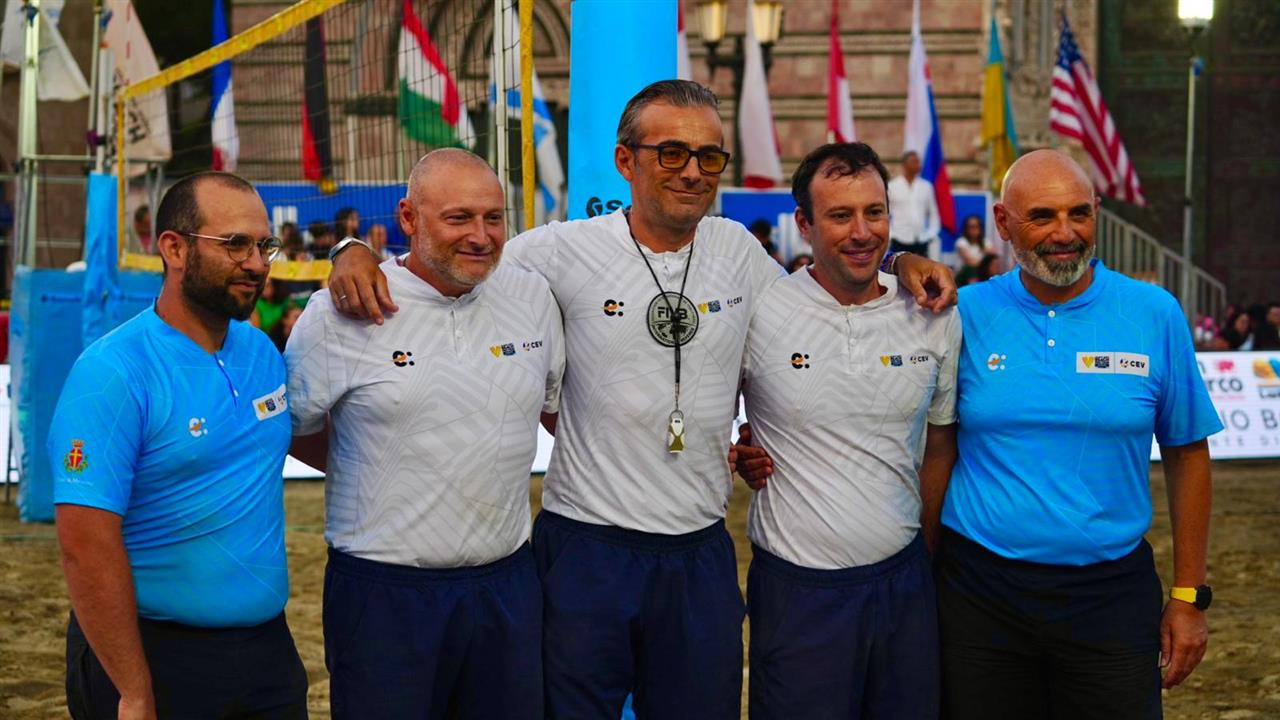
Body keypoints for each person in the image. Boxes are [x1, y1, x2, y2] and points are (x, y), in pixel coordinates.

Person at [326, 79, 956, 718]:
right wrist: (351, 251)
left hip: (700, 550)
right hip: (586, 550)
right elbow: (453, 255)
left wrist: (898, 263)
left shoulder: (740, 252)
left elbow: (826, 285)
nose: (693, 171)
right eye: (672, 153)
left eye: (709, 156)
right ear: (626, 161)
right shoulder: (560, 250)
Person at [930, 150, 1221, 719]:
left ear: (1097, 212)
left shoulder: (1154, 313)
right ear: (1002, 222)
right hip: (979, 598)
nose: (1065, 234)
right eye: (1042, 216)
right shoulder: (962, 312)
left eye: (1079, 214)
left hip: (1110, 598)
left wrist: (1189, 597)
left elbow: (1188, 453)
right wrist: (902, 260)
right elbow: (931, 447)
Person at [285, 149, 564, 719]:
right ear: (408, 218)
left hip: (506, 583)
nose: (481, 236)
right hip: (382, 593)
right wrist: (378, 462)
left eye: (493, 217)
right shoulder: (339, 310)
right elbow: (292, 429)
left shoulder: (532, 296)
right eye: (458, 218)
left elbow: (552, 406)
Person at [47, 171, 306, 720]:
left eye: (264, 245)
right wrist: (133, 690)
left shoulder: (262, 353)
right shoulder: (112, 371)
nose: (257, 263)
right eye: (234, 243)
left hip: (267, 653)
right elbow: (84, 544)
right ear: (174, 249)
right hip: (153, 653)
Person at [739, 142, 960, 718]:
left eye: (874, 212)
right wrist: (738, 447)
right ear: (804, 224)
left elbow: (940, 443)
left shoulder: (933, 312)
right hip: (798, 593)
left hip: (904, 583)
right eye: (840, 215)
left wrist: (924, 555)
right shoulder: (760, 309)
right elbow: (700, 402)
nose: (862, 232)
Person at [887, 150, 940, 260]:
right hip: (899, 238)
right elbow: (886, 213)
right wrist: (891, 234)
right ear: (904, 164)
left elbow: (933, 213)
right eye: (914, 162)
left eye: (918, 162)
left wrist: (931, 233)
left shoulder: (926, 186)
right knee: (899, 268)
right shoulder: (892, 186)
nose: (918, 165)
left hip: (921, 239)